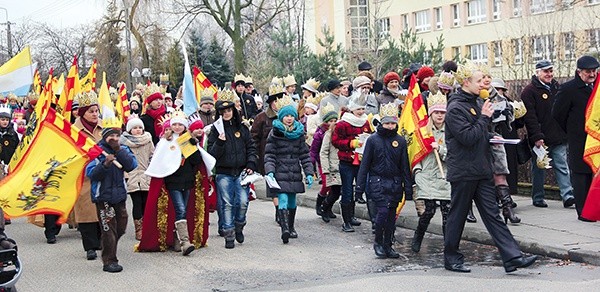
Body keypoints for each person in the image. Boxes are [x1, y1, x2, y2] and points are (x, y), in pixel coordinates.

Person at [443, 62, 537, 273]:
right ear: (466, 82)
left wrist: (492, 136)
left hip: (482, 169)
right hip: (464, 171)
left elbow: (478, 134)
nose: (483, 84)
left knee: (493, 215)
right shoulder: (455, 107)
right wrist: (484, 117)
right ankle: (451, 257)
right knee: (457, 216)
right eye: (479, 80)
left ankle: (512, 257)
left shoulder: (477, 101)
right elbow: (467, 137)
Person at [139, 110, 209, 255]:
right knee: (180, 209)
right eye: (175, 124)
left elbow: (196, 162)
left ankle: (177, 239)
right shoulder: (166, 141)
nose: (177, 127)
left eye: (180, 124)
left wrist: (191, 146)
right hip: (173, 182)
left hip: (187, 182)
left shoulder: (187, 140)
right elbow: (161, 161)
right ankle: (185, 242)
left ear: (185, 126)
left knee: (182, 209)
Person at [355, 102, 411, 258]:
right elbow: (364, 165)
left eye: (393, 123)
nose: (390, 126)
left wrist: (408, 188)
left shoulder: (400, 141)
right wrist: (359, 188)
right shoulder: (373, 140)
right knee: (382, 213)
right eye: (387, 123)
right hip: (377, 182)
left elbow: (404, 166)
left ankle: (388, 245)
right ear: (381, 123)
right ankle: (378, 242)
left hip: (394, 183)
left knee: (391, 216)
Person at [520, 60, 575, 208]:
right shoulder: (529, 91)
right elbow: (530, 117)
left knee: (562, 165)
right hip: (540, 138)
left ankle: (568, 196)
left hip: (558, 136)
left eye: (551, 71)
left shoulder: (558, 88)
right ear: (537, 72)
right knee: (539, 169)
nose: (549, 74)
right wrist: (537, 137)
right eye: (546, 71)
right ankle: (538, 197)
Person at [208, 89, 258, 249]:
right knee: (227, 203)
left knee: (243, 202)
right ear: (219, 113)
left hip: (242, 171)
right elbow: (211, 154)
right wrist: (220, 142)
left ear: (233, 111)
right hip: (224, 172)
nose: (227, 113)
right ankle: (228, 233)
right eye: (223, 111)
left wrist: (251, 164)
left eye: (229, 110)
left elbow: (251, 147)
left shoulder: (242, 128)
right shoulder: (215, 130)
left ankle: (239, 225)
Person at [553, 55, 600, 222]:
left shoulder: (597, 88)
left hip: (596, 138)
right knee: (581, 175)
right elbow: (558, 114)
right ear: (579, 72)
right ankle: (583, 212)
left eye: (594, 71)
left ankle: (595, 209)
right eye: (588, 72)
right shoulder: (569, 89)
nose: (592, 74)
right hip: (579, 138)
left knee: (595, 173)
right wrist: (572, 130)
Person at [86, 120, 137, 273]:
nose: (114, 138)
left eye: (117, 135)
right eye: (111, 136)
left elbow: (131, 165)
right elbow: (91, 174)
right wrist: (105, 164)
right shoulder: (97, 151)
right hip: (103, 197)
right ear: (105, 136)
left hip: (120, 195)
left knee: (121, 227)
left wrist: (119, 151)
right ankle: (109, 261)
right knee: (109, 229)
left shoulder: (123, 148)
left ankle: (107, 243)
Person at [264, 95, 314, 244]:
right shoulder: (274, 133)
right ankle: (284, 229)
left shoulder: (299, 134)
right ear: (281, 117)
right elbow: (269, 155)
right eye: (286, 116)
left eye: (291, 116)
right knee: (283, 199)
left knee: (292, 201)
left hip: (294, 172)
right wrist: (270, 171)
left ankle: (291, 227)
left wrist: (309, 172)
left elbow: (304, 155)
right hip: (280, 171)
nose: (289, 118)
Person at [411, 91, 451, 253]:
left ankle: (449, 246)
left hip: (445, 175)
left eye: (442, 112)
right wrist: (417, 170)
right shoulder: (422, 131)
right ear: (431, 113)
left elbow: (455, 154)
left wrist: (440, 149)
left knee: (447, 212)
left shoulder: (451, 130)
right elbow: (414, 152)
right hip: (426, 176)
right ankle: (418, 238)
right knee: (429, 211)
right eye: (437, 112)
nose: (440, 116)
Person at [332, 91, 372, 232]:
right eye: (358, 109)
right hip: (346, 161)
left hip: (362, 161)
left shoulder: (366, 122)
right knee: (347, 190)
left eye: (362, 108)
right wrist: (350, 143)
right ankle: (346, 221)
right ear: (352, 109)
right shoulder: (343, 124)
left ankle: (352, 215)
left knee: (359, 189)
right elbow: (335, 141)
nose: (361, 112)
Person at [71, 91, 103, 260]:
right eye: (91, 111)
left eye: (96, 111)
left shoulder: (104, 127)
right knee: (85, 212)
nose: (95, 114)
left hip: (104, 174)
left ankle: (101, 241)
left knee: (103, 210)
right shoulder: (73, 131)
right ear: (83, 113)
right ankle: (89, 246)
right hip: (83, 176)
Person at [251, 78, 284, 226]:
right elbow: (254, 139)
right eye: (275, 100)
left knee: (284, 184)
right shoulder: (261, 118)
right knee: (272, 185)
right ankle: (279, 209)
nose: (278, 103)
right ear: (270, 102)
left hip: (285, 157)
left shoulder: (288, 117)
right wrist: (256, 156)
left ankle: (284, 208)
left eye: (281, 100)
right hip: (268, 157)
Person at [120, 114, 155, 240]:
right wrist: (126, 175)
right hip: (132, 176)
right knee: (137, 203)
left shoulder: (148, 140)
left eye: (140, 127)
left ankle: (147, 226)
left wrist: (151, 168)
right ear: (129, 130)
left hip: (146, 175)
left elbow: (152, 155)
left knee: (146, 202)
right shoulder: (124, 143)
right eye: (135, 128)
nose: (138, 130)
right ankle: (138, 228)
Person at [318, 103, 342, 223]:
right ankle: (324, 207)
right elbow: (323, 152)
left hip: (340, 165)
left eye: (335, 120)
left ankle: (329, 208)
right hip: (332, 167)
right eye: (331, 121)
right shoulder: (328, 135)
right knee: (334, 191)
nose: (334, 123)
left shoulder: (340, 132)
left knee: (338, 192)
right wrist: (325, 168)